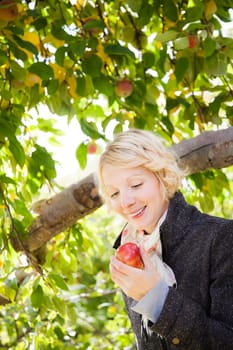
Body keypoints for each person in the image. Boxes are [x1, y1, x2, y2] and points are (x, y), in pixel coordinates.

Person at [97, 128, 233, 350]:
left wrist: (157, 298)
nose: (126, 201)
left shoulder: (222, 238)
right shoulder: (129, 252)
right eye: (114, 193)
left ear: (162, 176)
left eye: (136, 185)